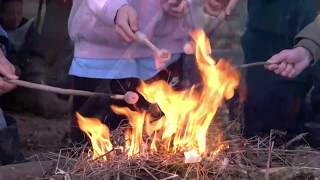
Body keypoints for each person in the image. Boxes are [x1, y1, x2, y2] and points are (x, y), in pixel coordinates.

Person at [68, 0, 191, 142]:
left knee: (162, 142)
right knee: (92, 144)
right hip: (102, 48)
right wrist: (114, 7)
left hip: (165, 45)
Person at [204, 0, 318, 138]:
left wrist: (310, 44)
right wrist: (308, 48)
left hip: (305, 16)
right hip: (267, 24)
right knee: (265, 123)